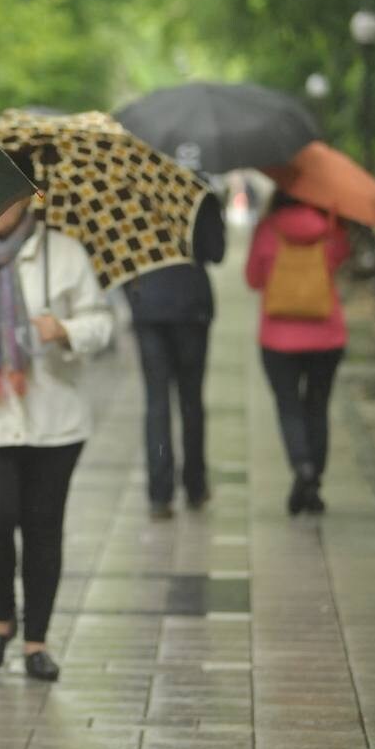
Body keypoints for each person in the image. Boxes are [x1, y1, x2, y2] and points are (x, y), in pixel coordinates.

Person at [0, 149, 113, 683]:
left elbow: (100, 324)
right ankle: (0, 622)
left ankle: (36, 640)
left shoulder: (65, 254)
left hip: (52, 418)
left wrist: (64, 330)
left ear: (30, 196)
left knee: (42, 529)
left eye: (9, 192)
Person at [245, 192, 350, 515]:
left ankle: (302, 467)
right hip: (327, 336)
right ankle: (313, 483)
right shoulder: (331, 229)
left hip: (278, 338)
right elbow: (341, 258)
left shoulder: (267, 229)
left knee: (289, 407)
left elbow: (253, 278)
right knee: (318, 408)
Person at [125, 193, 226, 518]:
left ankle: (159, 493)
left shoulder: (135, 194)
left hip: (149, 304)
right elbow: (217, 252)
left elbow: (121, 250)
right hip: (191, 306)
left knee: (156, 402)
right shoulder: (201, 193)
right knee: (191, 400)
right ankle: (195, 485)